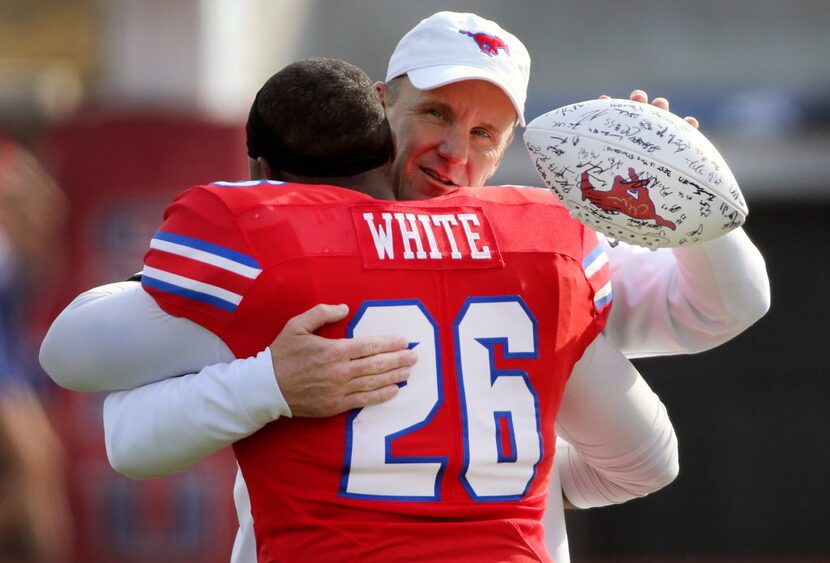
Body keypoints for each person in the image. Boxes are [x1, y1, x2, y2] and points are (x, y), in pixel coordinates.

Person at [39, 11, 769, 561]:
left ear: (510, 145)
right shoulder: (540, 253)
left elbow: (98, 389)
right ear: (381, 102)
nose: (456, 152)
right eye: (437, 114)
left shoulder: (281, 241)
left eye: (486, 134)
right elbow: (651, 451)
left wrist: (691, 200)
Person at [0, 137, 73, 563]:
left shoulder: (13, 173)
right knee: (34, 466)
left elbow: (46, 227)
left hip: (11, 357)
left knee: (39, 469)